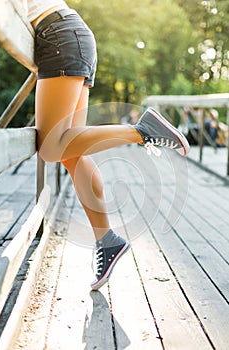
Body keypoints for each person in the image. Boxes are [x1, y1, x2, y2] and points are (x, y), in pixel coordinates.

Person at [23, 0, 190, 290]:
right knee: (70, 152)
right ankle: (107, 241)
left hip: (60, 36)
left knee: (52, 147)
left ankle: (141, 131)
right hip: (68, 34)